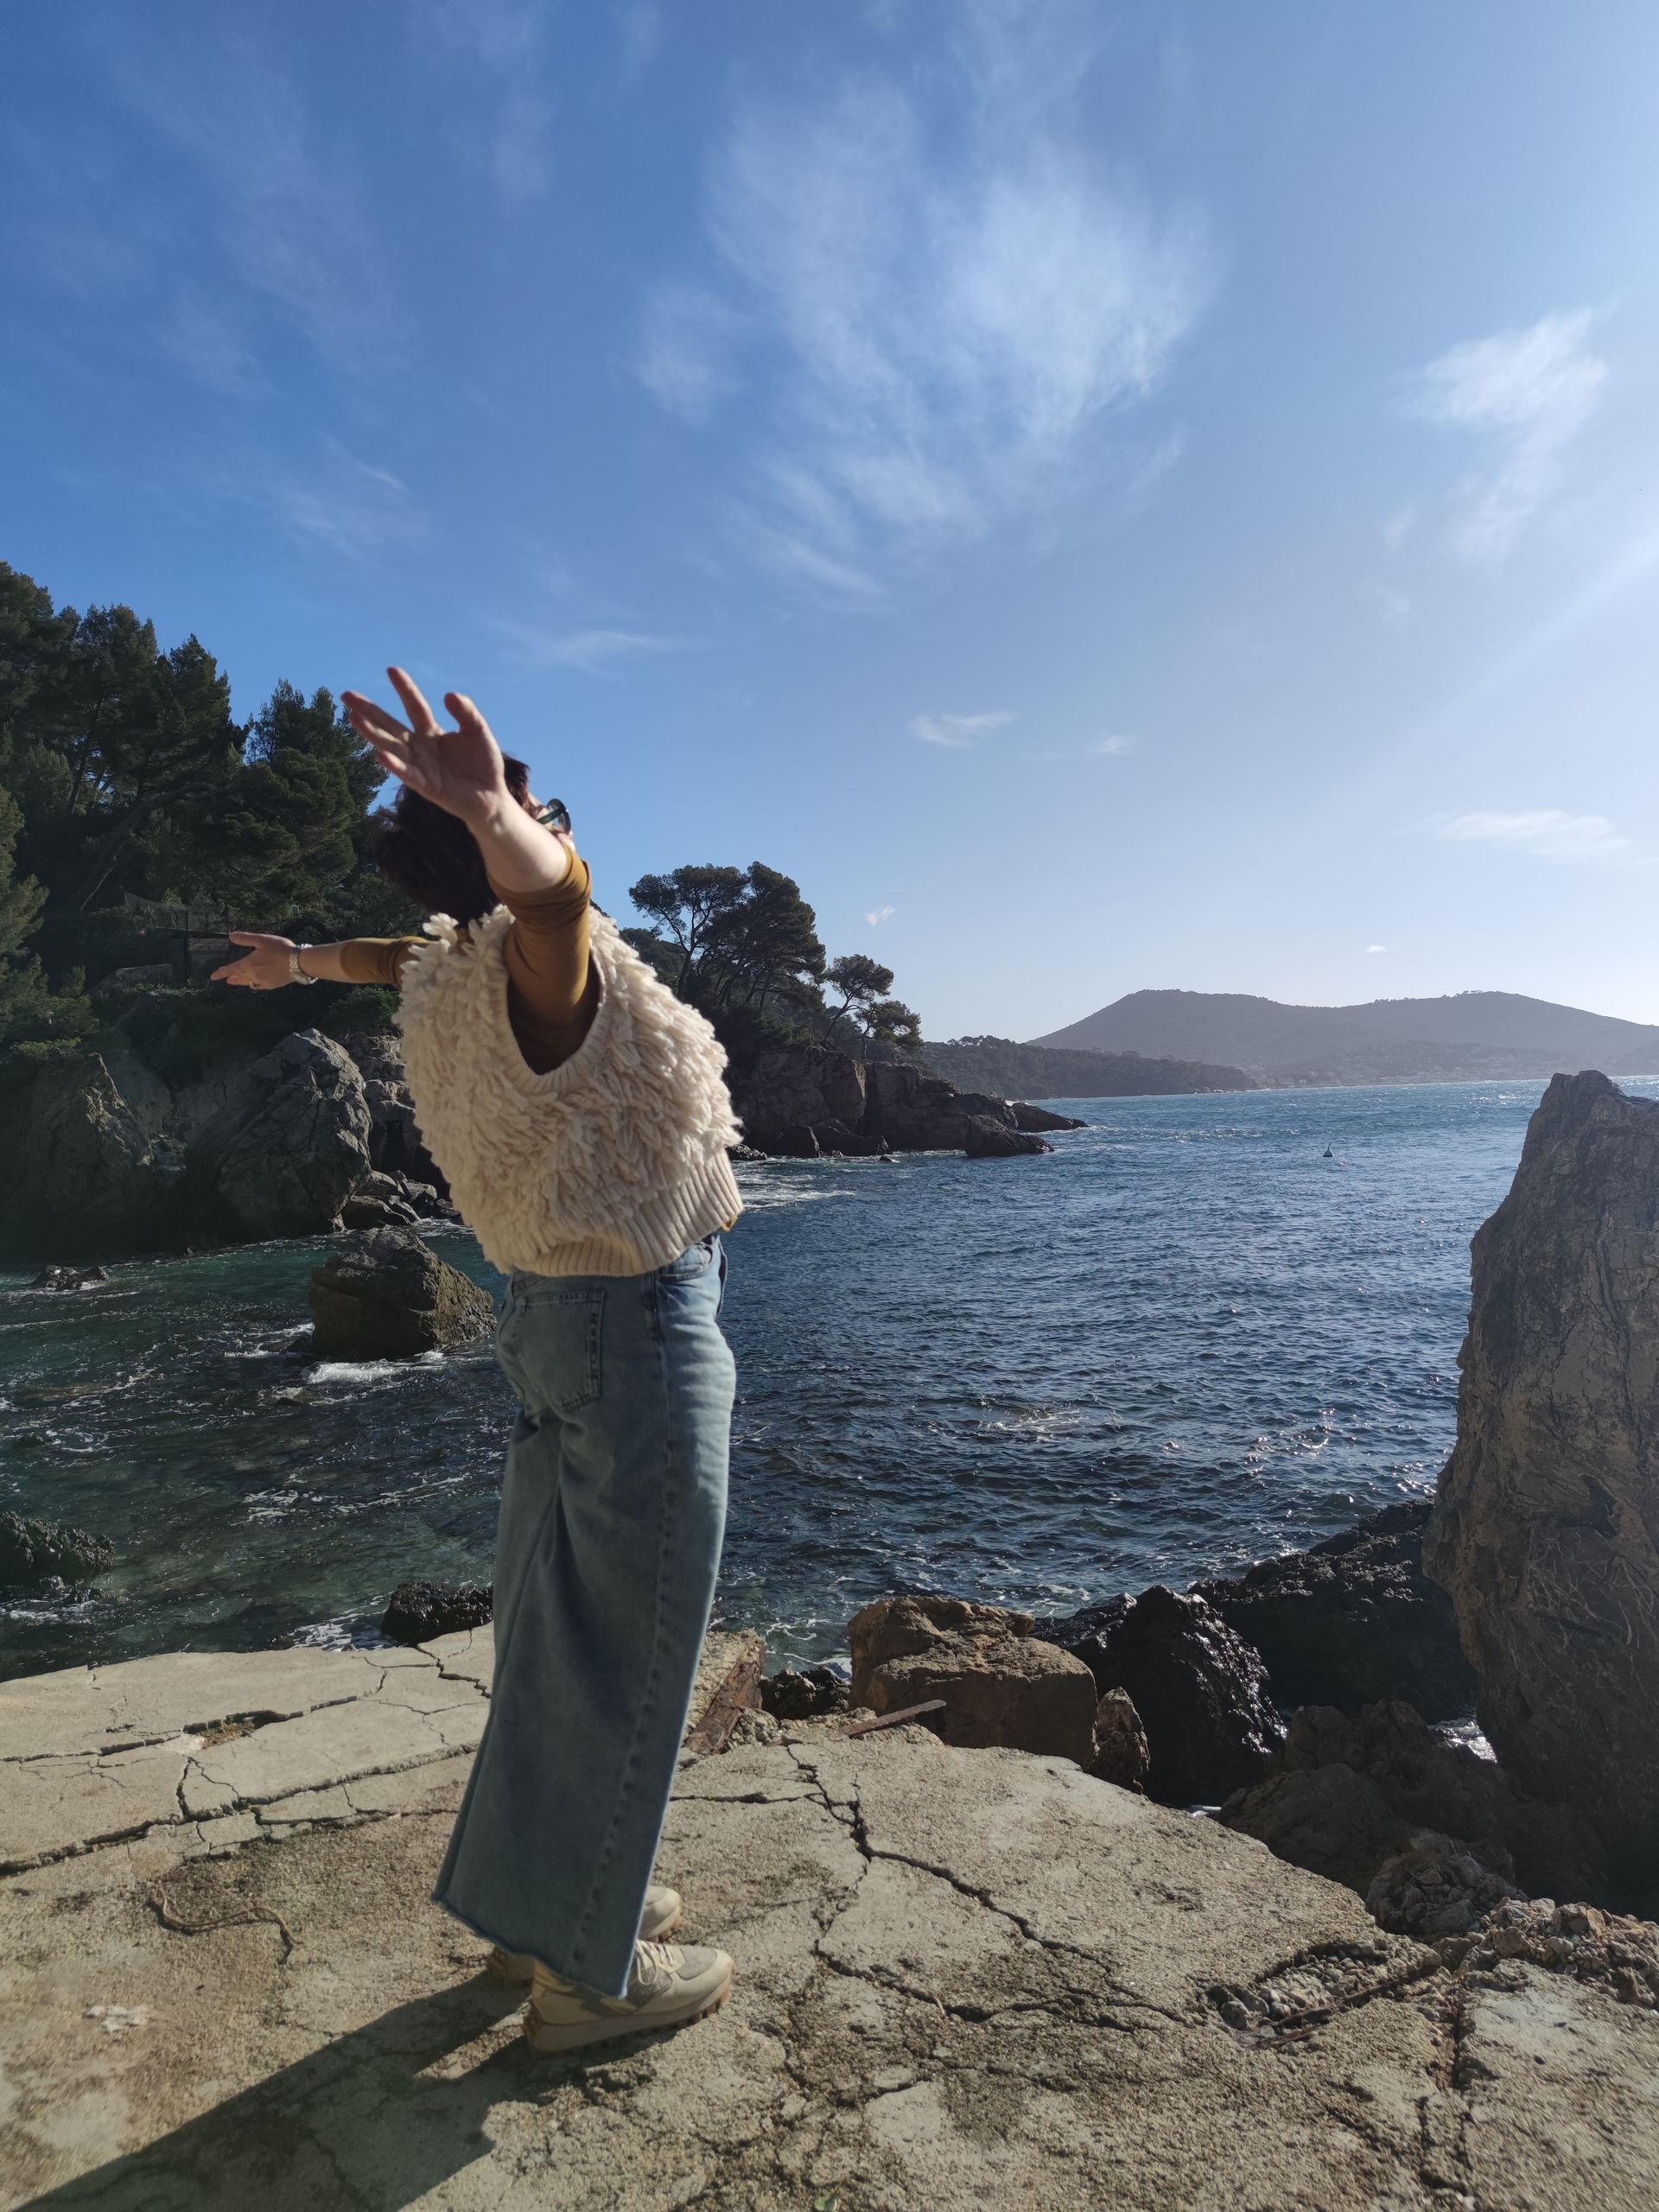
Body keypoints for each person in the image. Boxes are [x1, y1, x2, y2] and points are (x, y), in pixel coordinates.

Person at [213, 668, 743, 2054]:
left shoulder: (446, 971)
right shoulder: (536, 966)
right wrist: (494, 812)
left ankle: (544, 1912)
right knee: (628, 1648)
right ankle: (591, 1985)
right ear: (507, 854)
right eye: (541, 815)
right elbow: (555, 906)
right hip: (636, 1327)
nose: (557, 825)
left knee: (552, 1635)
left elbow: (388, 954)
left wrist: (299, 962)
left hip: (548, 1326)